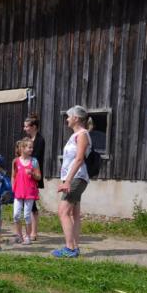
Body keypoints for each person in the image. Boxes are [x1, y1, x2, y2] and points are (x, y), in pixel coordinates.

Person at [53, 105, 93, 258]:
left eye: (69, 116)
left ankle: (69, 249)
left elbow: (79, 159)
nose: (67, 119)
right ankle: (75, 247)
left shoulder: (82, 134)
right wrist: (65, 179)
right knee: (74, 213)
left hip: (77, 177)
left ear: (76, 118)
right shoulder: (76, 135)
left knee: (63, 211)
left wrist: (68, 181)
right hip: (74, 177)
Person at [11, 139, 42, 245]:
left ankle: (27, 237)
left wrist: (32, 173)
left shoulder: (34, 161)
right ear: (22, 148)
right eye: (29, 147)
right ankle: (19, 236)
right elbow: (13, 176)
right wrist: (13, 188)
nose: (31, 149)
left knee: (27, 215)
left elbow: (39, 177)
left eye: (32, 147)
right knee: (16, 215)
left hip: (30, 192)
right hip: (18, 192)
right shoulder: (15, 161)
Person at [23, 113, 46, 240]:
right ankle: (29, 231)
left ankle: (34, 232)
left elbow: (35, 157)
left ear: (34, 127)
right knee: (27, 203)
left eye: (27, 126)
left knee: (32, 204)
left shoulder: (40, 140)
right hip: (25, 174)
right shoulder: (27, 140)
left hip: (34, 175)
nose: (25, 129)